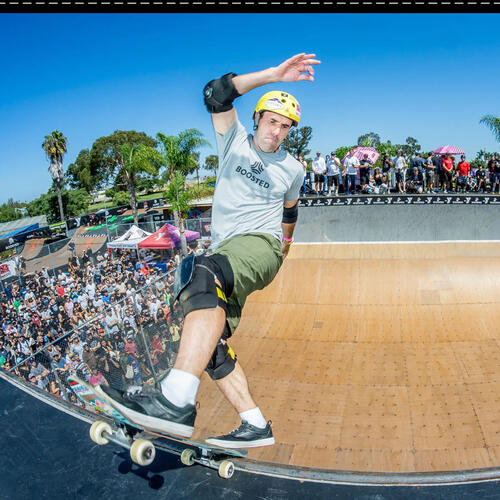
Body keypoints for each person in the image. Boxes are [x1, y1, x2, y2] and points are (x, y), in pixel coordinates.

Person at [98, 53, 321, 448]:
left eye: (285, 127)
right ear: (257, 119)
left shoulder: (293, 168)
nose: (276, 132)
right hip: (229, 248)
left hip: (259, 246)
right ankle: (254, 423)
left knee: (203, 271)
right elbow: (215, 94)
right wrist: (273, 75)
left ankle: (175, 400)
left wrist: (284, 247)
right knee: (209, 339)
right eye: (272, 122)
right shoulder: (234, 139)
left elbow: (291, 211)